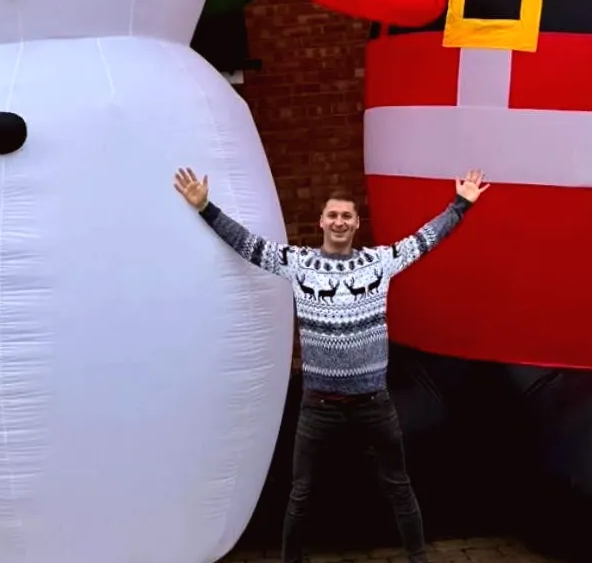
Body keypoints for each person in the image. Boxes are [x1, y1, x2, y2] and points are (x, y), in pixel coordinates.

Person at [173, 166, 488, 563]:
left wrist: (461, 205)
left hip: (374, 403)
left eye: (346, 216)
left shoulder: (380, 262)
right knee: (301, 493)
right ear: (322, 221)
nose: (339, 221)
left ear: (356, 224)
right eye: (333, 215)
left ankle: (418, 559)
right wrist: (205, 208)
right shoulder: (297, 263)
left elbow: (425, 240)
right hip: (318, 406)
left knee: (399, 485)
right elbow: (248, 245)